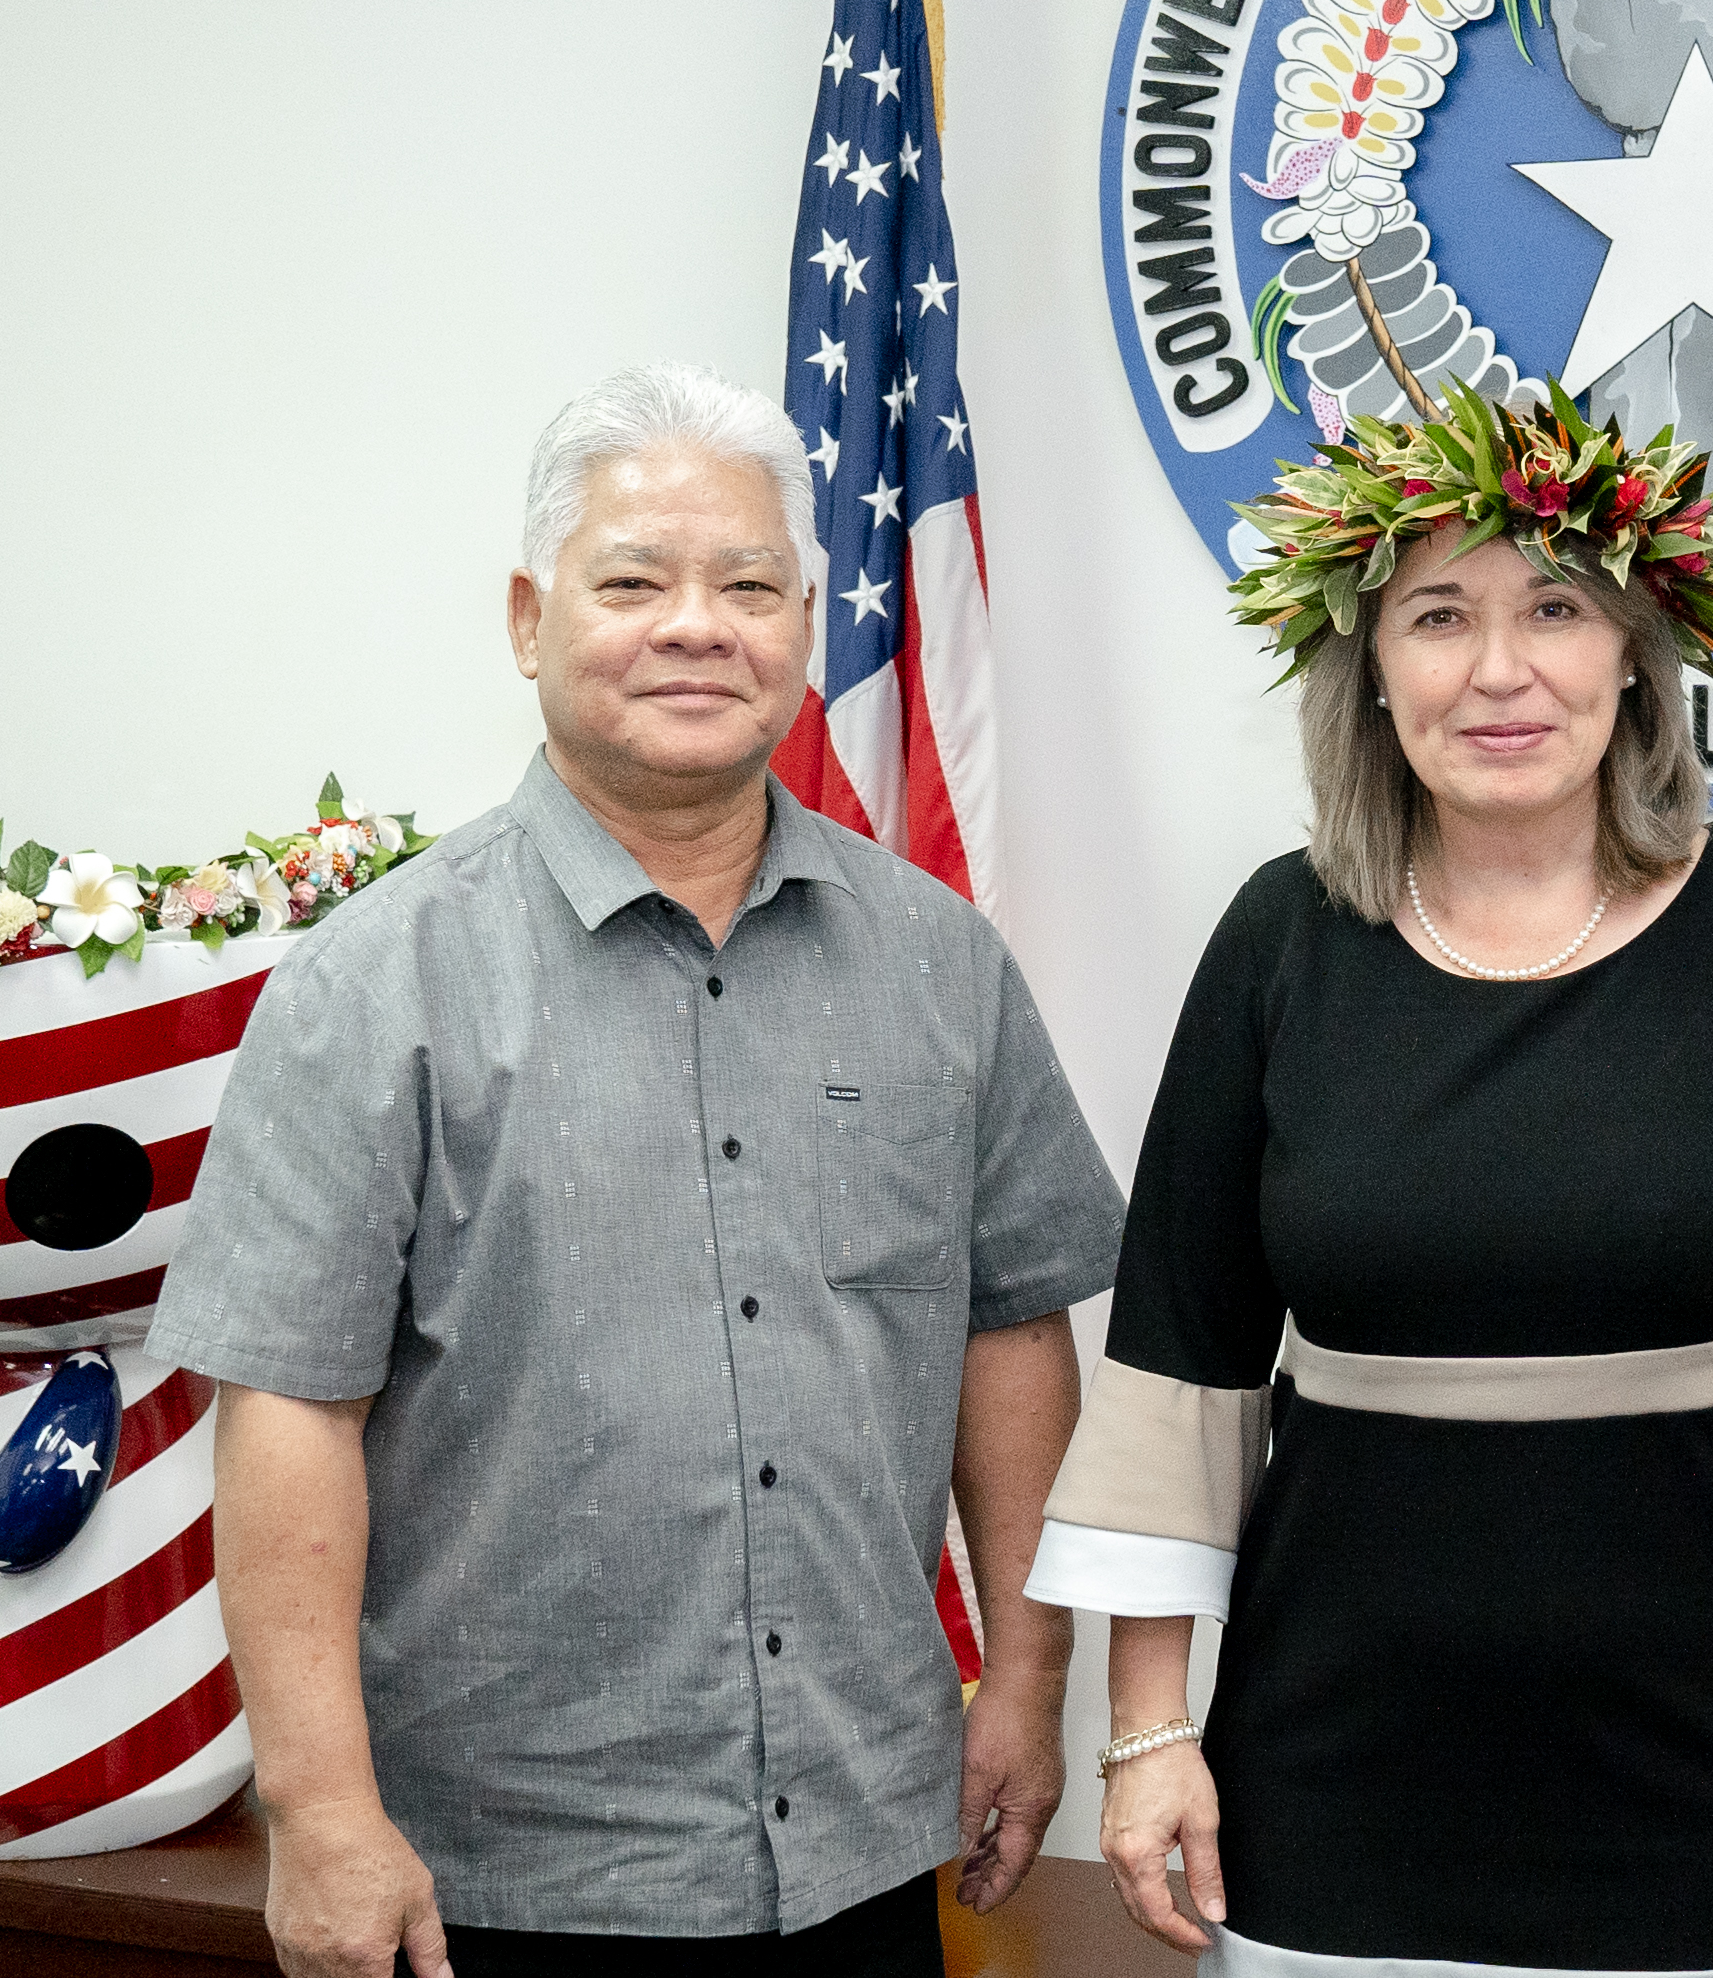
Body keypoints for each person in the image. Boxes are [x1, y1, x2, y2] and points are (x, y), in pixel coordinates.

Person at [149, 364, 1127, 1978]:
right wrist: (323, 1813)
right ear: (530, 618)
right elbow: (285, 1410)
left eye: (749, 585)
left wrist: (1028, 1679)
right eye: (634, 582)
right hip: (506, 1876)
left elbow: (1010, 1331)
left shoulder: (940, 962)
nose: (698, 624)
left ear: (807, 626)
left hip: (867, 1834)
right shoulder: (374, 982)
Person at [1025, 389, 1713, 1977]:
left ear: (1637, 654)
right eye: (1438, 616)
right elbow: (1180, 1360)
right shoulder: (1282, 943)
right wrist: (1148, 1731)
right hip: (1330, 1771)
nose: (1501, 670)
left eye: (1555, 607)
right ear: (1368, 670)